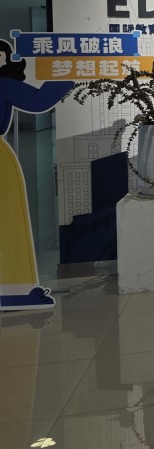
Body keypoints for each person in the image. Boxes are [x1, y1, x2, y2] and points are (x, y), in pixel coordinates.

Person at [0, 40, 73, 310]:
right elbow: (38, 100)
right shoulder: (4, 84)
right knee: (8, 220)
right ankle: (15, 288)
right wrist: (67, 76)